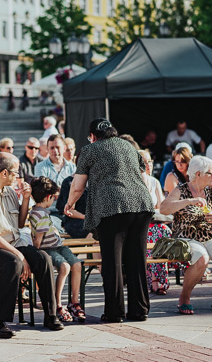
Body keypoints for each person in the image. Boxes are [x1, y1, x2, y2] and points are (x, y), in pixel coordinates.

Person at [0, 153, 63, 338]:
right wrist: (20, 255)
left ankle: (51, 314)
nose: (18, 176)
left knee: (43, 258)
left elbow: (19, 223)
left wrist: (25, 199)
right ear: (5, 173)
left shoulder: (8, 190)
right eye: (15, 172)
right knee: (13, 262)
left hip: (8, 244)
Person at [64, 118, 154, 323]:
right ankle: (139, 310)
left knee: (112, 262)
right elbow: (143, 176)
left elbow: (77, 187)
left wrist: (69, 205)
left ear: (93, 135)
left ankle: (115, 313)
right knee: (136, 260)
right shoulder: (129, 146)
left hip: (112, 206)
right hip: (141, 204)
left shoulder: (90, 150)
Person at [160, 156, 212, 315]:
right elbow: (164, 208)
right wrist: (188, 201)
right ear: (198, 173)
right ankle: (184, 298)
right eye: (210, 173)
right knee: (202, 259)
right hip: (186, 237)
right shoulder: (182, 189)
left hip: (209, 236)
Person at [30, 177, 85, 322]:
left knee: (77, 264)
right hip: (49, 249)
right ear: (48, 197)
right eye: (53, 198)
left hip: (58, 246)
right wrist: (34, 256)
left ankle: (74, 302)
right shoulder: (40, 214)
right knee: (65, 267)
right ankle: (58, 304)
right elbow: (38, 241)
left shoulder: (39, 211)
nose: (53, 201)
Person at [139, 150, 171, 295]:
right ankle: (153, 279)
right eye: (144, 162)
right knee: (155, 233)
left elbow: (162, 207)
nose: (148, 165)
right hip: (139, 224)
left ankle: (156, 278)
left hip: (155, 222)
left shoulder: (155, 182)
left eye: (150, 161)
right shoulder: (134, 183)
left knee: (163, 231)